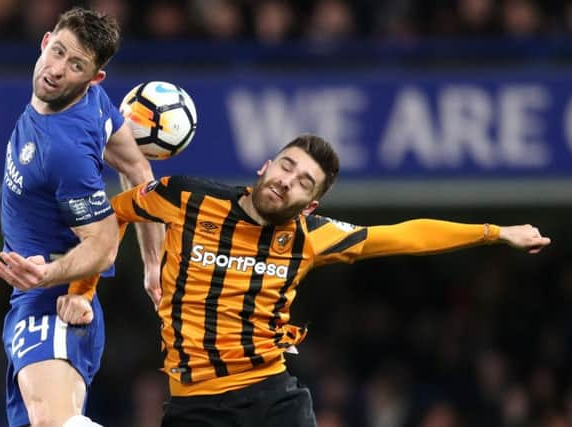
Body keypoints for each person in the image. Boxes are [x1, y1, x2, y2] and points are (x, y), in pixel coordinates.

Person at [74, 134, 550, 426]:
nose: (288, 180)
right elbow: (110, 215)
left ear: (311, 205)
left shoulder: (312, 236)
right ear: (266, 165)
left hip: (271, 399)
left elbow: (405, 235)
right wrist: (83, 289)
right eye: (287, 165)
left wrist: (493, 233)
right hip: (191, 405)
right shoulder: (186, 197)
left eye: (305, 182)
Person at [0, 7, 162, 427]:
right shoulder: (91, 101)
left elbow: (102, 247)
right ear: (45, 40)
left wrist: (49, 277)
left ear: (94, 77)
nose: (57, 70)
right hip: (40, 295)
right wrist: (154, 265)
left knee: (53, 422)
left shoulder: (64, 152)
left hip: (54, 300)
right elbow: (138, 170)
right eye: (59, 53)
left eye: (76, 66)